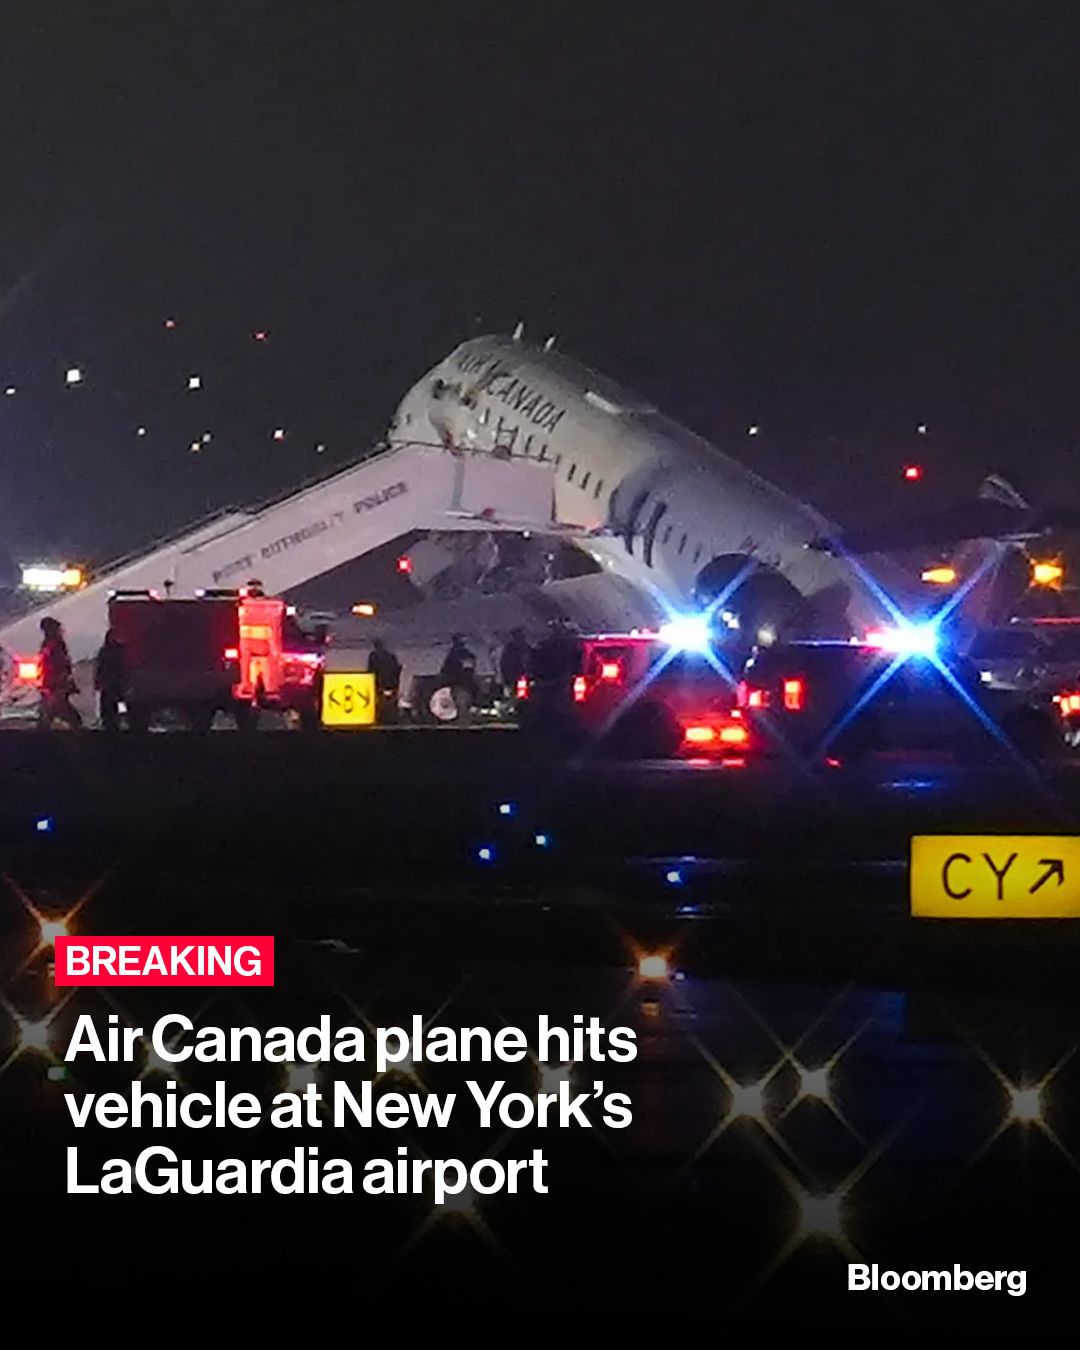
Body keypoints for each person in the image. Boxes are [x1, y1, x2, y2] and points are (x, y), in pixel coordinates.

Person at [38, 617, 83, 730]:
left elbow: (62, 662)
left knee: (58, 705)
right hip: (52, 680)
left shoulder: (56, 644)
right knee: (53, 705)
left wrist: (63, 677)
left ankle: (75, 725)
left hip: (57, 680)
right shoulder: (50, 643)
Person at [93, 629, 127, 733]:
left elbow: (124, 667)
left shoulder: (120, 650)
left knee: (119, 702)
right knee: (107, 703)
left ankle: (120, 720)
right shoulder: (105, 651)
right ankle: (107, 722)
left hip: (117, 682)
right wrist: (98, 680)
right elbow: (100, 667)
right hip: (108, 682)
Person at [440, 634, 477, 722]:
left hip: (456, 681)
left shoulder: (454, 653)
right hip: (458, 681)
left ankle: (462, 718)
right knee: (462, 698)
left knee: (461, 698)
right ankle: (463, 719)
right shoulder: (457, 653)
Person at [367, 638, 402, 724]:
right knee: (389, 702)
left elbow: (370, 671)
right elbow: (397, 670)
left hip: (381, 684)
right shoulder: (391, 656)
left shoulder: (373, 656)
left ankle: (382, 716)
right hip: (390, 684)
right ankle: (391, 716)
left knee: (381, 703)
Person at [499, 627, 532, 697]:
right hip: (512, 678)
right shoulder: (509, 649)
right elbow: (504, 664)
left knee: (522, 697)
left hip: (522, 678)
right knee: (513, 696)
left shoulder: (527, 648)